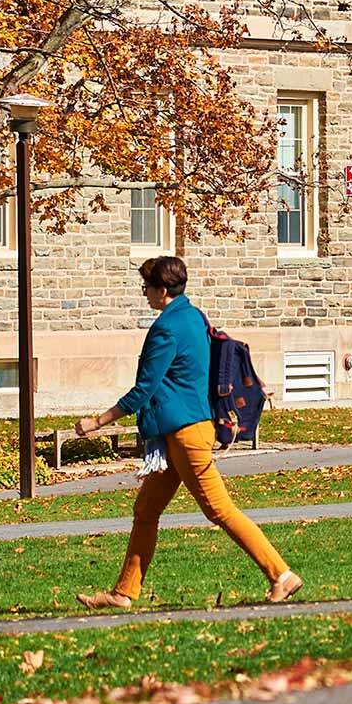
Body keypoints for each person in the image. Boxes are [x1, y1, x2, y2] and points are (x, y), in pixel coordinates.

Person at [72, 256, 302, 609]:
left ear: (162, 290)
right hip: (177, 434)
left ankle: (281, 575)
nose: (145, 293)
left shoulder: (166, 328)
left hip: (185, 435)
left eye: (146, 287)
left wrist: (97, 422)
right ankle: (123, 593)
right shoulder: (194, 317)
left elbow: (144, 389)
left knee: (219, 510)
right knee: (146, 510)